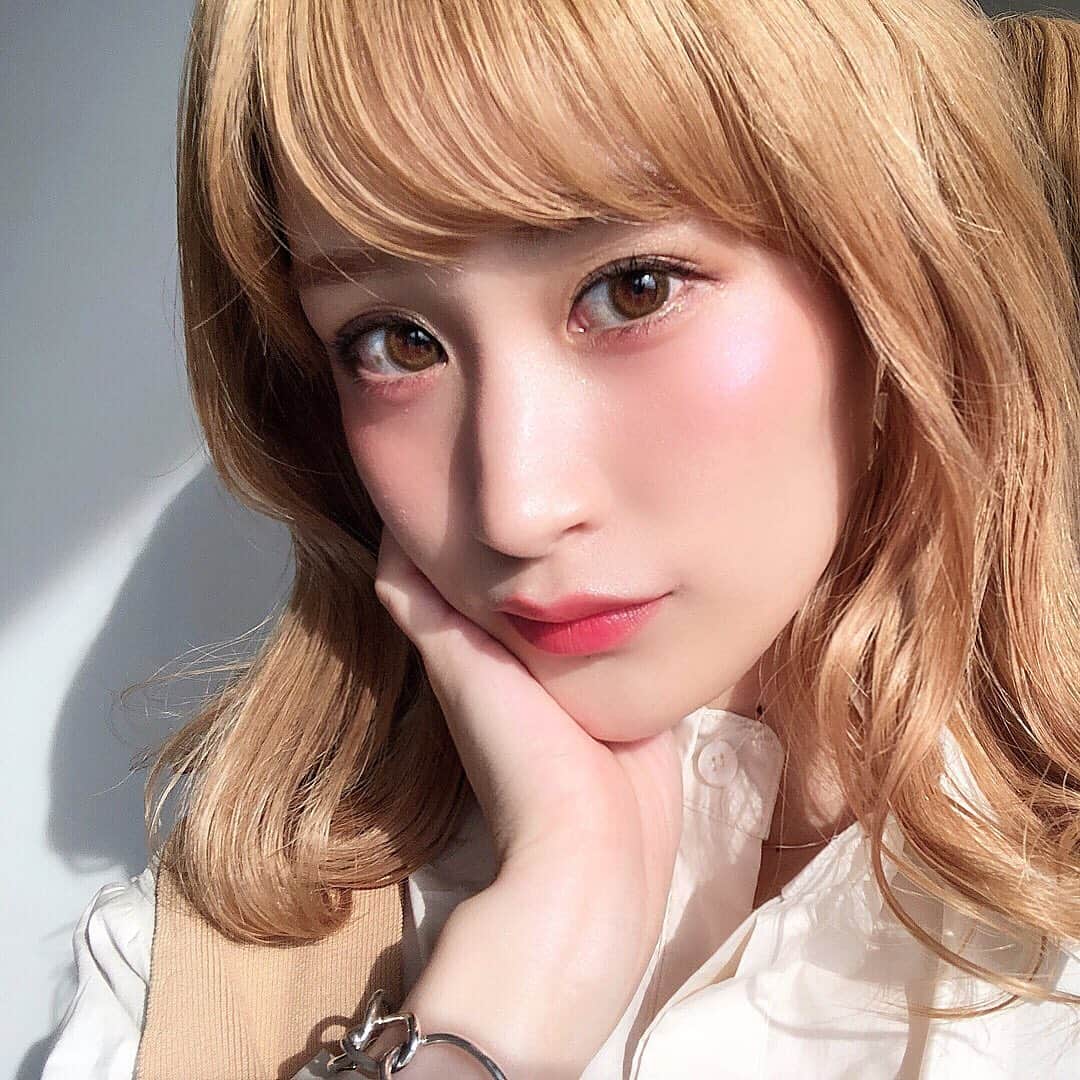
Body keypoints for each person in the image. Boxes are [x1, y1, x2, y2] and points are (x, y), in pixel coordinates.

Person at [41, 1, 1080, 1077]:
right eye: (396, 343)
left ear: (906, 290)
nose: (514, 507)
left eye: (633, 289)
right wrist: (501, 1003)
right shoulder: (196, 983)